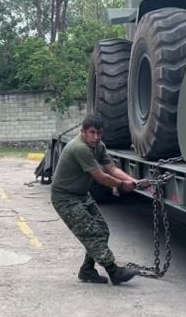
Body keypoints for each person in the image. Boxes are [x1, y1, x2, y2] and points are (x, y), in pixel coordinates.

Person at [51, 114, 141, 285]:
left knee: (102, 230)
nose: (96, 137)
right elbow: (101, 177)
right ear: (83, 132)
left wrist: (132, 181)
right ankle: (114, 271)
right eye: (92, 133)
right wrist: (122, 185)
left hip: (82, 195)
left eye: (99, 133)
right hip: (65, 197)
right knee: (93, 233)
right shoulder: (80, 148)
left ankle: (87, 270)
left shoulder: (99, 146)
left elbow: (112, 169)